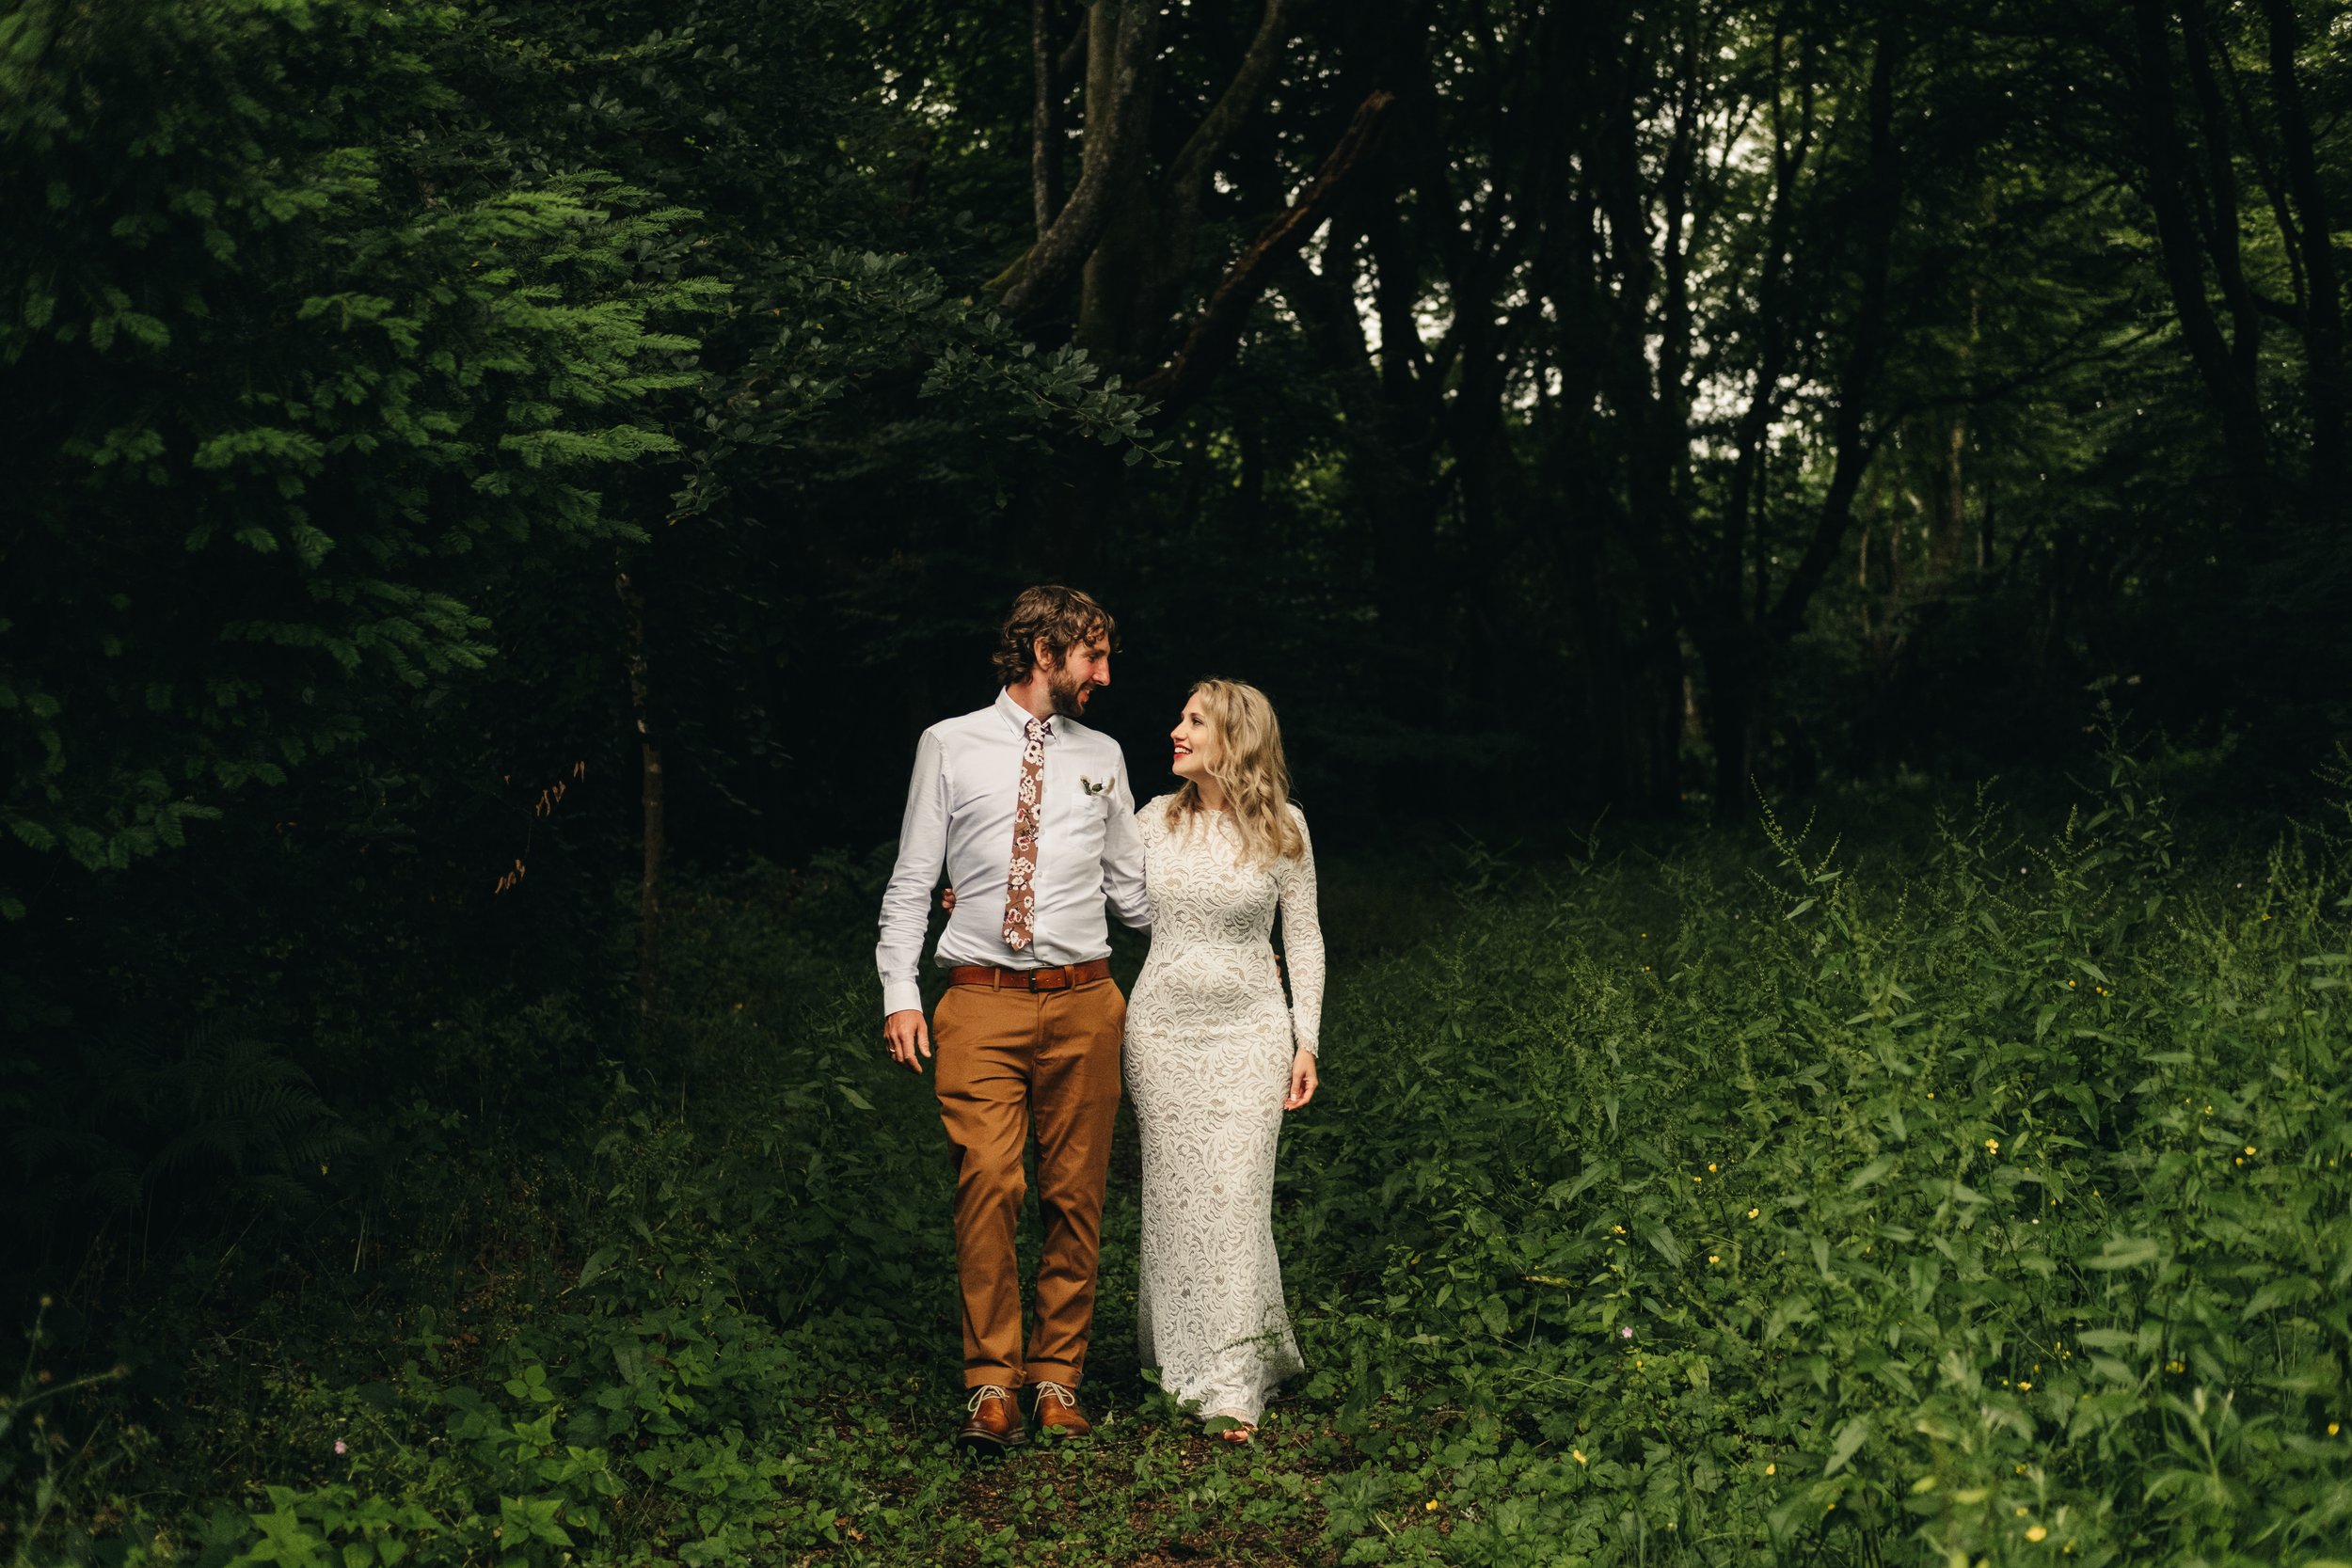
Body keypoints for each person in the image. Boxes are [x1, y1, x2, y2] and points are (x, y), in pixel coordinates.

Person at [876, 585, 1150, 1451]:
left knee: (1076, 1194)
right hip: (980, 1003)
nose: (1105, 673)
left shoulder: (1104, 752)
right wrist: (900, 993)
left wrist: (1227, 851)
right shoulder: (949, 744)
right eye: (1092, 656)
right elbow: (914, 881)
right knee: (989, 1181)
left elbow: (1134, 892)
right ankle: (990, 1380)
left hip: (1087, 1002)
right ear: (1043, 653)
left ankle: (1057, 1379)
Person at [1125, 678, 1324, 1441]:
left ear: (1234, 738)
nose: (1176, 729)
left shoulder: (1287, 830)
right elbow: (1090, 887)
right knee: (1178, 1199)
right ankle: (1180, 1361)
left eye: (1194, 720)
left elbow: (1302, 939)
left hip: (1249, 1036)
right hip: (1163, 1034)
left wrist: (1307, 1038)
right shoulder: (1150, 822)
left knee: (1238, 1198)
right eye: (1180, 717)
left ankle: (1235, 1380)